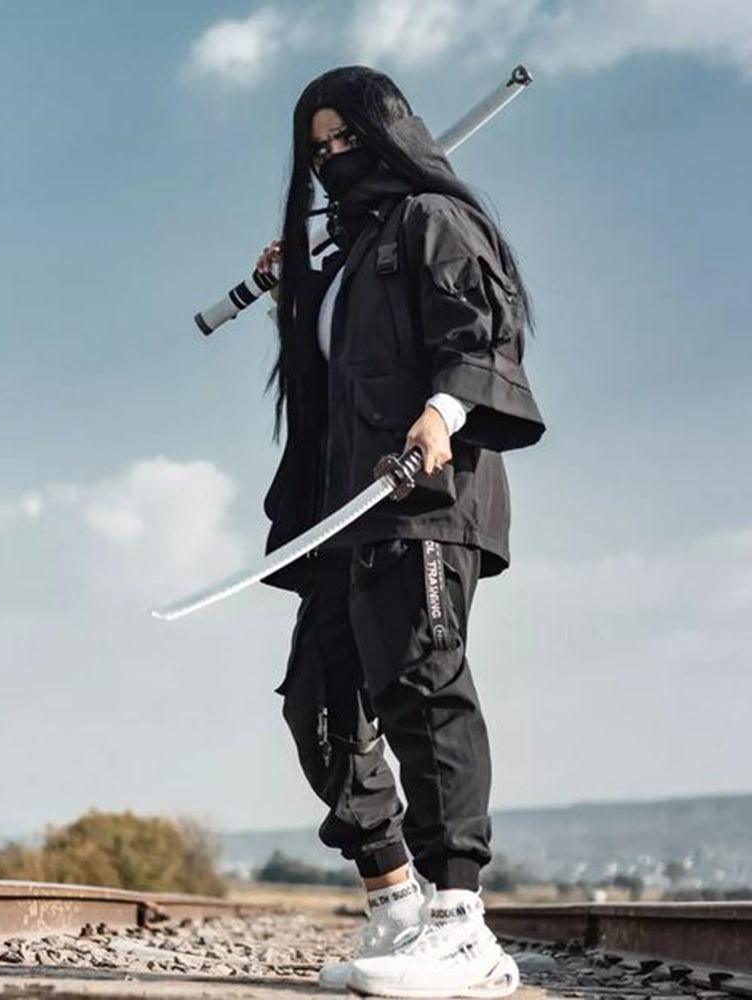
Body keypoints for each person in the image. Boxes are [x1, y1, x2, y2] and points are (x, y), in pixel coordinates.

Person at [255, 65, 545, 998]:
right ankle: (395, 903)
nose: (335, 157)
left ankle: (462, 926)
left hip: (424, 495)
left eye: (348, 137)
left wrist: (444, 414)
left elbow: (482, 336)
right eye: (319, 149)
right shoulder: (349, 255)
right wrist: (299, 288)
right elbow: (333, 384)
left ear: (387, 132)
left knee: (421, 684)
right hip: (346, 509)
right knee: (320, 699)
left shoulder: (433, 219)